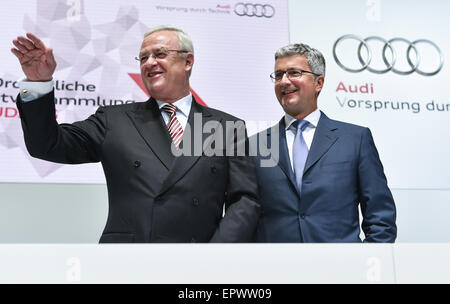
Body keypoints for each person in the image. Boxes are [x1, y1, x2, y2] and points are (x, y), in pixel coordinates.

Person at [11, 26, 260, 243]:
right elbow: (47, 144)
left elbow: (244, 201)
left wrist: (217, 255)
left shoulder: (227, 127)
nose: (149, 62)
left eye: (160, 54)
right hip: (128, 262)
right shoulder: (114, 120)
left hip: (199, 263)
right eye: (143, 58)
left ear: (188, 61)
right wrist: (38, 84)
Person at [252, 43, 396, 242]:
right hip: (277, 268)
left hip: (342, 268)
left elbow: (380, 216)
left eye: (294, 72)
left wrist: (365, 265)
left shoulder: (355, 139)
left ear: (318, 83)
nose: (284, 81)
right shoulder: (254, 146)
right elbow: (247, 216)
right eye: (278, 75)